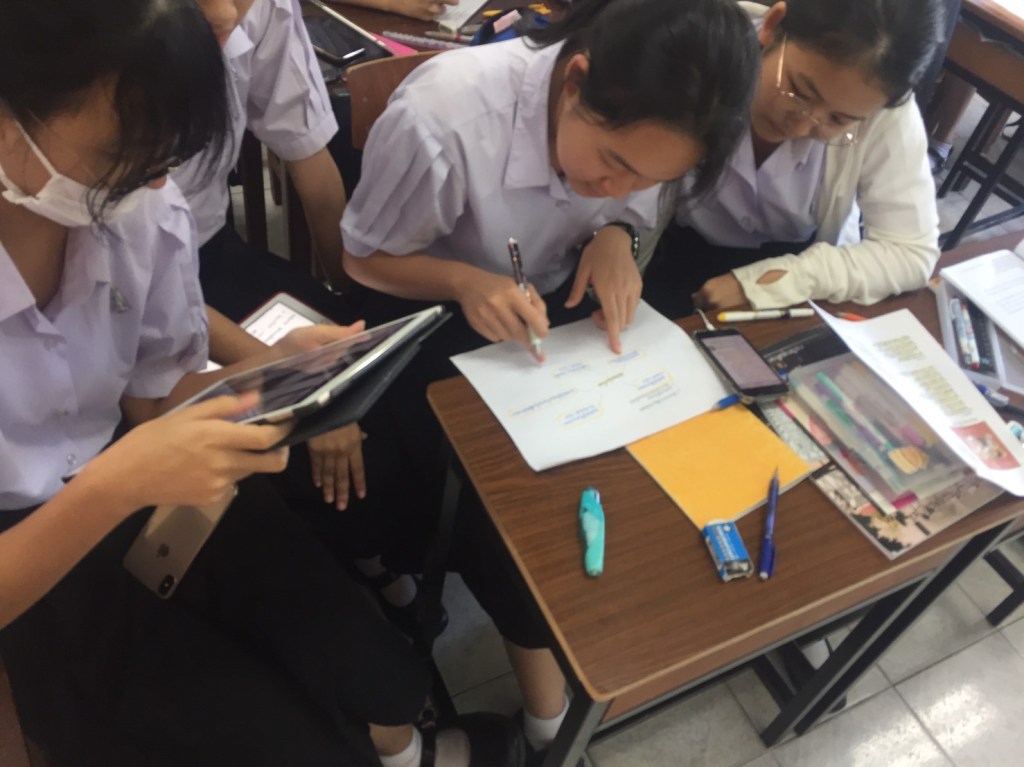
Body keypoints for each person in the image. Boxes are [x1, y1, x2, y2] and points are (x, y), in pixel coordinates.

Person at [0, 1, 523, 765]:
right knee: (263, 731)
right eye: (121, 155)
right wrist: (119, 482)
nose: (153, 184)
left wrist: (275, 376)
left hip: (134, 474)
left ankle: (404, 742)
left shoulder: (139, 205)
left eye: (163, 159)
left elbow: (154, 393)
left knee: (362, 661)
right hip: (35, 552)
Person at [340, 0, 759, 761]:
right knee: (506, 501)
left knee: (608, 469)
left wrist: (616, 235)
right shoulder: (446, 118)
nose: (616, 185)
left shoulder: (639, 129)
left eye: (648, 178)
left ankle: (561, 670)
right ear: (575, 81)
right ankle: (545, 707)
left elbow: (628, 206)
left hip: (537, 307)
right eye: (614, 164)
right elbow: (362, 258)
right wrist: (465, 283)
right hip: (425, 308)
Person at [177, 0, 436, 634]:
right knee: (306, 434)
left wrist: (353, 306)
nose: (229, 15)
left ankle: (375, 555)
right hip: (146, 289)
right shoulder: (117, 49)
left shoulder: (262, 10)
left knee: (386, 387)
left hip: (208, 250)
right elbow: (139, 278)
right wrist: (303, 382)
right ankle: (351, 569)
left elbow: (311, 162)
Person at [642, 0, 946, 318]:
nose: (800, 126)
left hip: (800, 270)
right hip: (672, 247)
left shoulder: (884, 111)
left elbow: (911, 253)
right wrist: (619, 233)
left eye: (838, 120)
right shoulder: (700, 45)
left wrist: (783, 280)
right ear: (773, 26)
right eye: (799, 91)